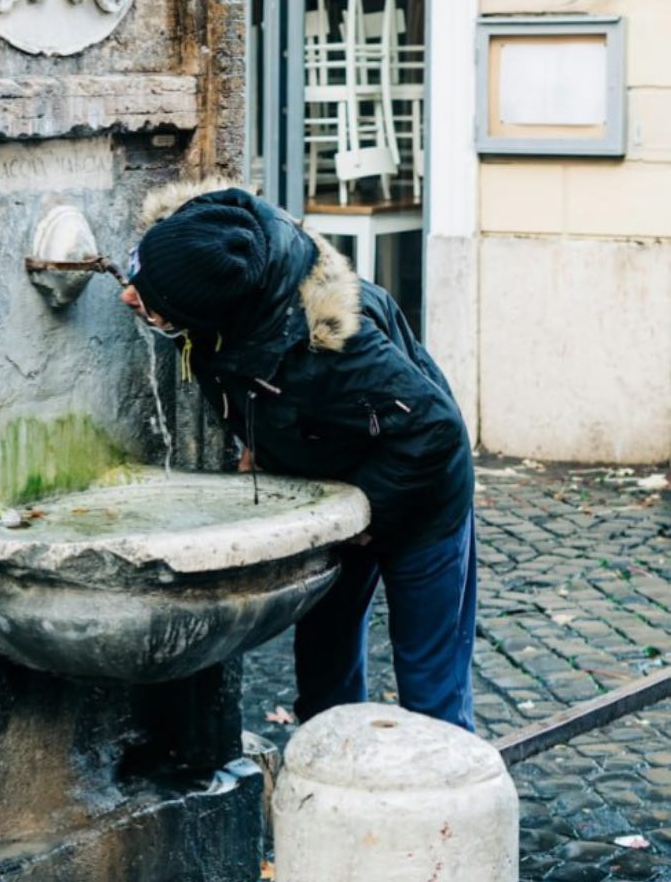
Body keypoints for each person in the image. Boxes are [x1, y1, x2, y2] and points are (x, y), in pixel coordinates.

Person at [120, 182, 477, 731]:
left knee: (431, 693)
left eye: (151, 301)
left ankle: (451, 805)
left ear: (201, 312)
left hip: (422, 494)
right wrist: (256, 443)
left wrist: (370, 513)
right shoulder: (218, 258)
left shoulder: (339, 345)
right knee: (324, 676)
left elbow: (437, 431)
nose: (128, 297)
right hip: (330, 485)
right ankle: (334, 795)